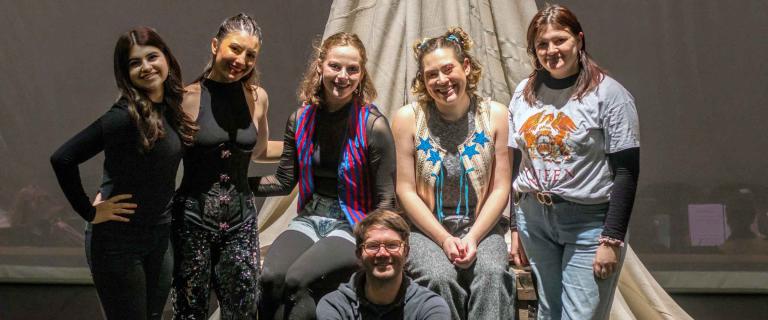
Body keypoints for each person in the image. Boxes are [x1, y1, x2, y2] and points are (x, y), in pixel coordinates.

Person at [50, 26, 196, 319]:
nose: (146, 67)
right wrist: (90, 213)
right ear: (125, 72)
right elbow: (63, 158)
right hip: (119, 244)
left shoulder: (170, 108)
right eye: (134, 62)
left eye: (152, 56)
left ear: (166, 57)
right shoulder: (124, 116)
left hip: (158, 238)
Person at [507, 4, 641, 319]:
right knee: (548, 313)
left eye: (560, 40)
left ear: (578, 40)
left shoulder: (609, 95)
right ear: (534, 50)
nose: (551, 50)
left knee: (580, 315)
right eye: (542, 44)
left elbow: (626, 171)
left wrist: (612, 238)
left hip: (589, 223)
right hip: (534, 219)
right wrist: (515, 226)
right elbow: (517, 164)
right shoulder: (523, 94)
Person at [251, 32, 395, 320]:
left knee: (297, 280)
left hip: (353, 222)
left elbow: (386, 201)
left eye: (352, 69)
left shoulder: (373, 126)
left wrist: (372, 240)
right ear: (320, 66)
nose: (342, 76)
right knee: (270, 277)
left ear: (361, 73)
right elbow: (283, 181)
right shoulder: (301, 119)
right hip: (311, 217)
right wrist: (234, 183)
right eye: (335, 66)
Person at [390, 27, 514, 320]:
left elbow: (500, 187)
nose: (442, 80)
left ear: (466, 67)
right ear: (423, 80)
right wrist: (445, 239)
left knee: (493, 274)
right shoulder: (408, 119)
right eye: (432, 74)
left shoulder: (495, 115)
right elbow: (405, 189)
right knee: (438, 278)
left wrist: (473, 236)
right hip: (426, 228)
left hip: (481, 225)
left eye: (448, 69)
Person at [171, 13, 279, 319]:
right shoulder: (185, 98)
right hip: (192, 223)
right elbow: (161, 157)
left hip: (241, 225)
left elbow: (259, 150)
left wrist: (308, 146)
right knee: (190, 311)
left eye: (250, 55)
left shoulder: (258, 98)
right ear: (216, 45)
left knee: (244, 311)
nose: (241, 60)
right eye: (235, 49)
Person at [316, 209, 450, 320]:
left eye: (392, 245)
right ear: (359, 254)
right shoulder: (335, 306)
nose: (382, 253)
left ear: (406, 252)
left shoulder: (430, 308)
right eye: (372, 246)